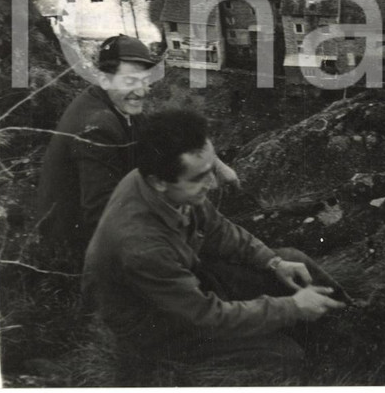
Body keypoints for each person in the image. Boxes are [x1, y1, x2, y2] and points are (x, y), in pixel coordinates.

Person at [82, 108, 347, 383]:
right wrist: (290, 308)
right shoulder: (141, 246)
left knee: (292, 260)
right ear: (159, 182)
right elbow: (206, 316)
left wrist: (273, 262)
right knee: (285, 356)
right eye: (199, 177)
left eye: (212, 169)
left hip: (184, 284)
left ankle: (353, 320)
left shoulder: (161, 179)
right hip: (156, 325)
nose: (212, 183)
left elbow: (217, 230)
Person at [36, 35, 238, 266]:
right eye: (131, 81)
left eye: (144, 81)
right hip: (74, 249)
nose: (141, 91)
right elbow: (99, 212)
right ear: (104, 79)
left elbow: (157, 133)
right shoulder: (97, 126)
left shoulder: (115, 101)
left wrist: (216, 165)